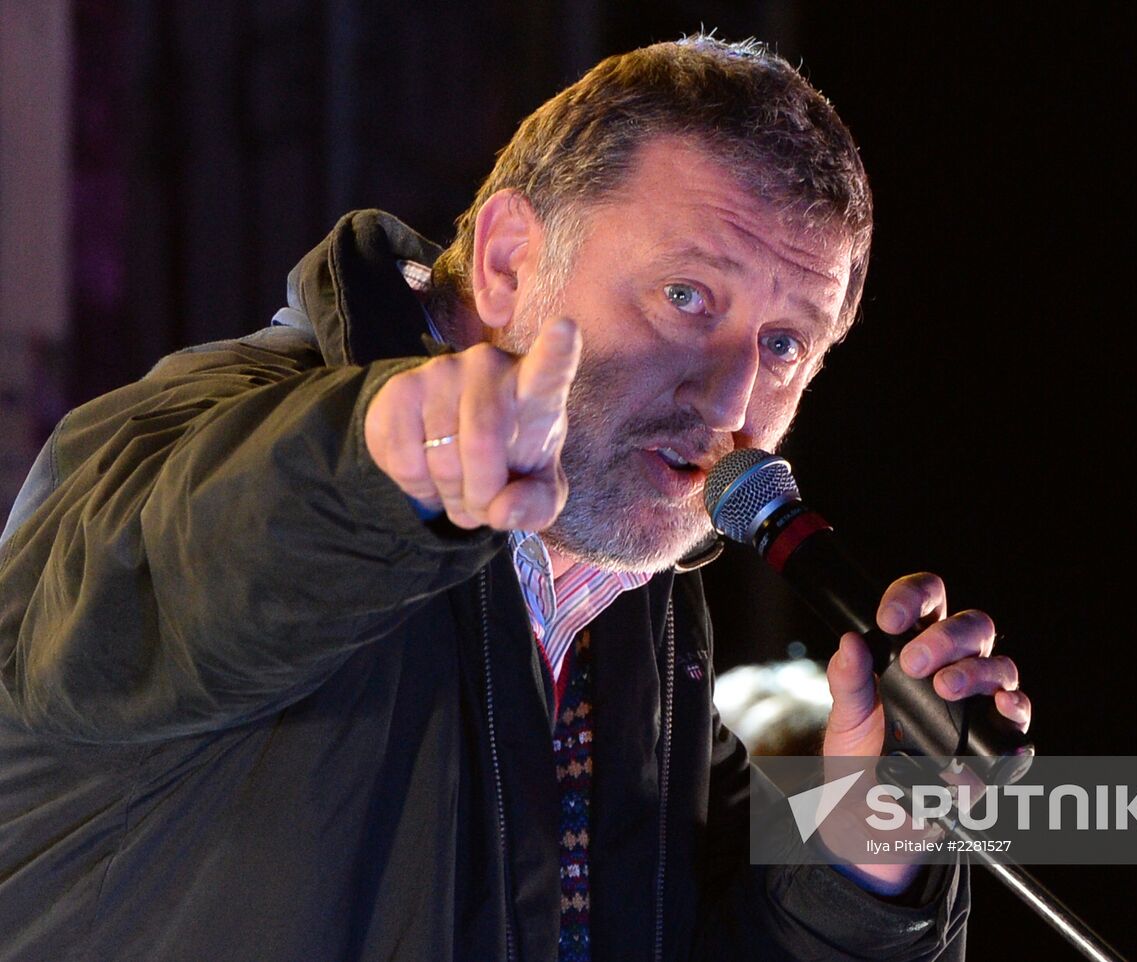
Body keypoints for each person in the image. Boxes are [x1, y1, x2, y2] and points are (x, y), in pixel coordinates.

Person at [0, 35, 1030, 961]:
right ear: (504, 264)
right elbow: (155, 586)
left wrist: (869, 839)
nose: (729, 401)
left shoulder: (642, 620)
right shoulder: (181, 435)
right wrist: (391, 467)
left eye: (781, 345)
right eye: (684, 296)